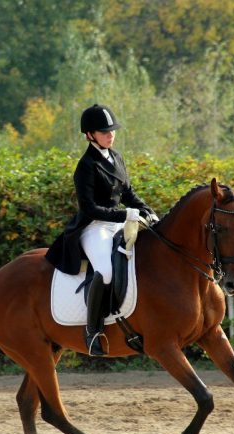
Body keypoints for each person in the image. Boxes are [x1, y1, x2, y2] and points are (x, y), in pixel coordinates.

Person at [46, 104, 159, 356]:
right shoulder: (86, 165)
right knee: (106, 271)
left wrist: (146, 210)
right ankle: (93, 331)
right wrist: (125, 214)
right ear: (89, 135)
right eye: (104, 131)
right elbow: (89, 209)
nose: (110, 135)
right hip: (93, 227)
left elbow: (128, 193)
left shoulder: (116, 157)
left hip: (119, 223)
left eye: (112, 130)